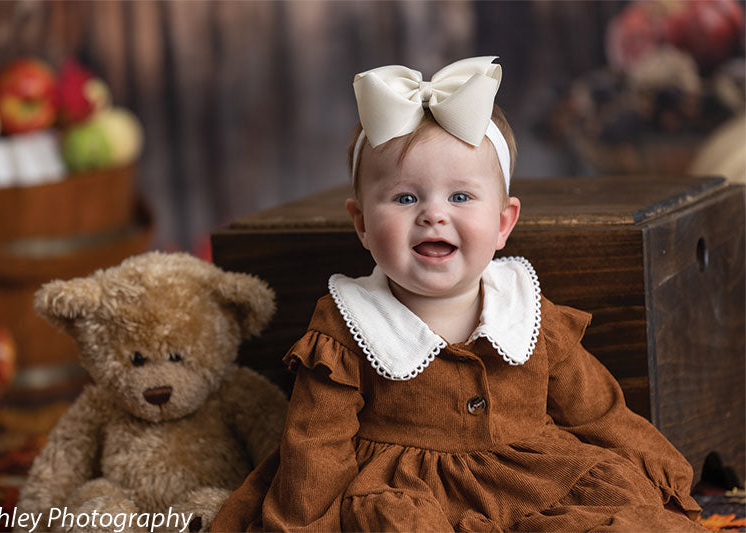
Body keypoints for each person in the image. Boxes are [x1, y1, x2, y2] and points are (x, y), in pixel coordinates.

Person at [211, 57, 704, 532]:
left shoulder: (526, 312)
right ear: (361, 223)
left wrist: (659, 473)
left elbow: (597, 410)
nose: (433, 214)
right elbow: (315, 442)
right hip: (405, 495)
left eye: (461, 196)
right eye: (405, 198)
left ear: (503, 223)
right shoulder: (348, 326)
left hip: (532, 483)